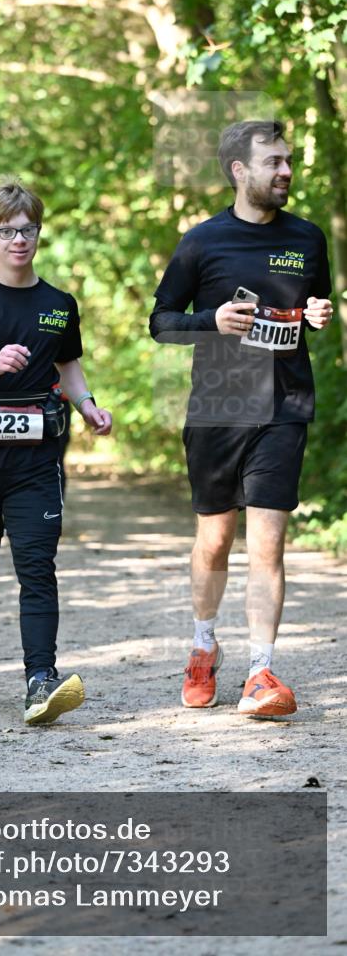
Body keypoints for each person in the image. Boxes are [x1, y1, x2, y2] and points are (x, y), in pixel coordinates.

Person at [149, 119, 333, 718]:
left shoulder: (307, 238)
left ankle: (261, 671)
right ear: (239, 171)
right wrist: (212, 322)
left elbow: (310, 304)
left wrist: (318, 313)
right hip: (220, 404)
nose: (285, 171)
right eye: (273, 162)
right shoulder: (203, 241)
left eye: (288, 161)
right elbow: (161, 321)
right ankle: (203, 647)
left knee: (269, 545)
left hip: (284, 404)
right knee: (215, 539)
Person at [0, 176, 112, 725]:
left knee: (37, 566)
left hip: (38, 459)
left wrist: (87, 405)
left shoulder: (59, 304)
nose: (19, 240)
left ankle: (40, 679)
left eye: (28, 229)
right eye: (7, 231)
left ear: (39, 232)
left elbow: (69, 367)